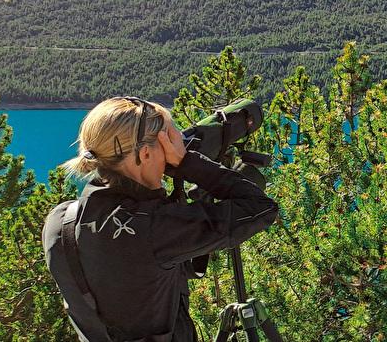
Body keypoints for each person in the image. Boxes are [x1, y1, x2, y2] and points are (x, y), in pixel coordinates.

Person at [43, 97, 279, 342]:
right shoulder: (155, 227)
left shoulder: (60, 220)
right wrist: (188, 163)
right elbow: (261, 208)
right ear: (146, 154)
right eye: (170, 143)